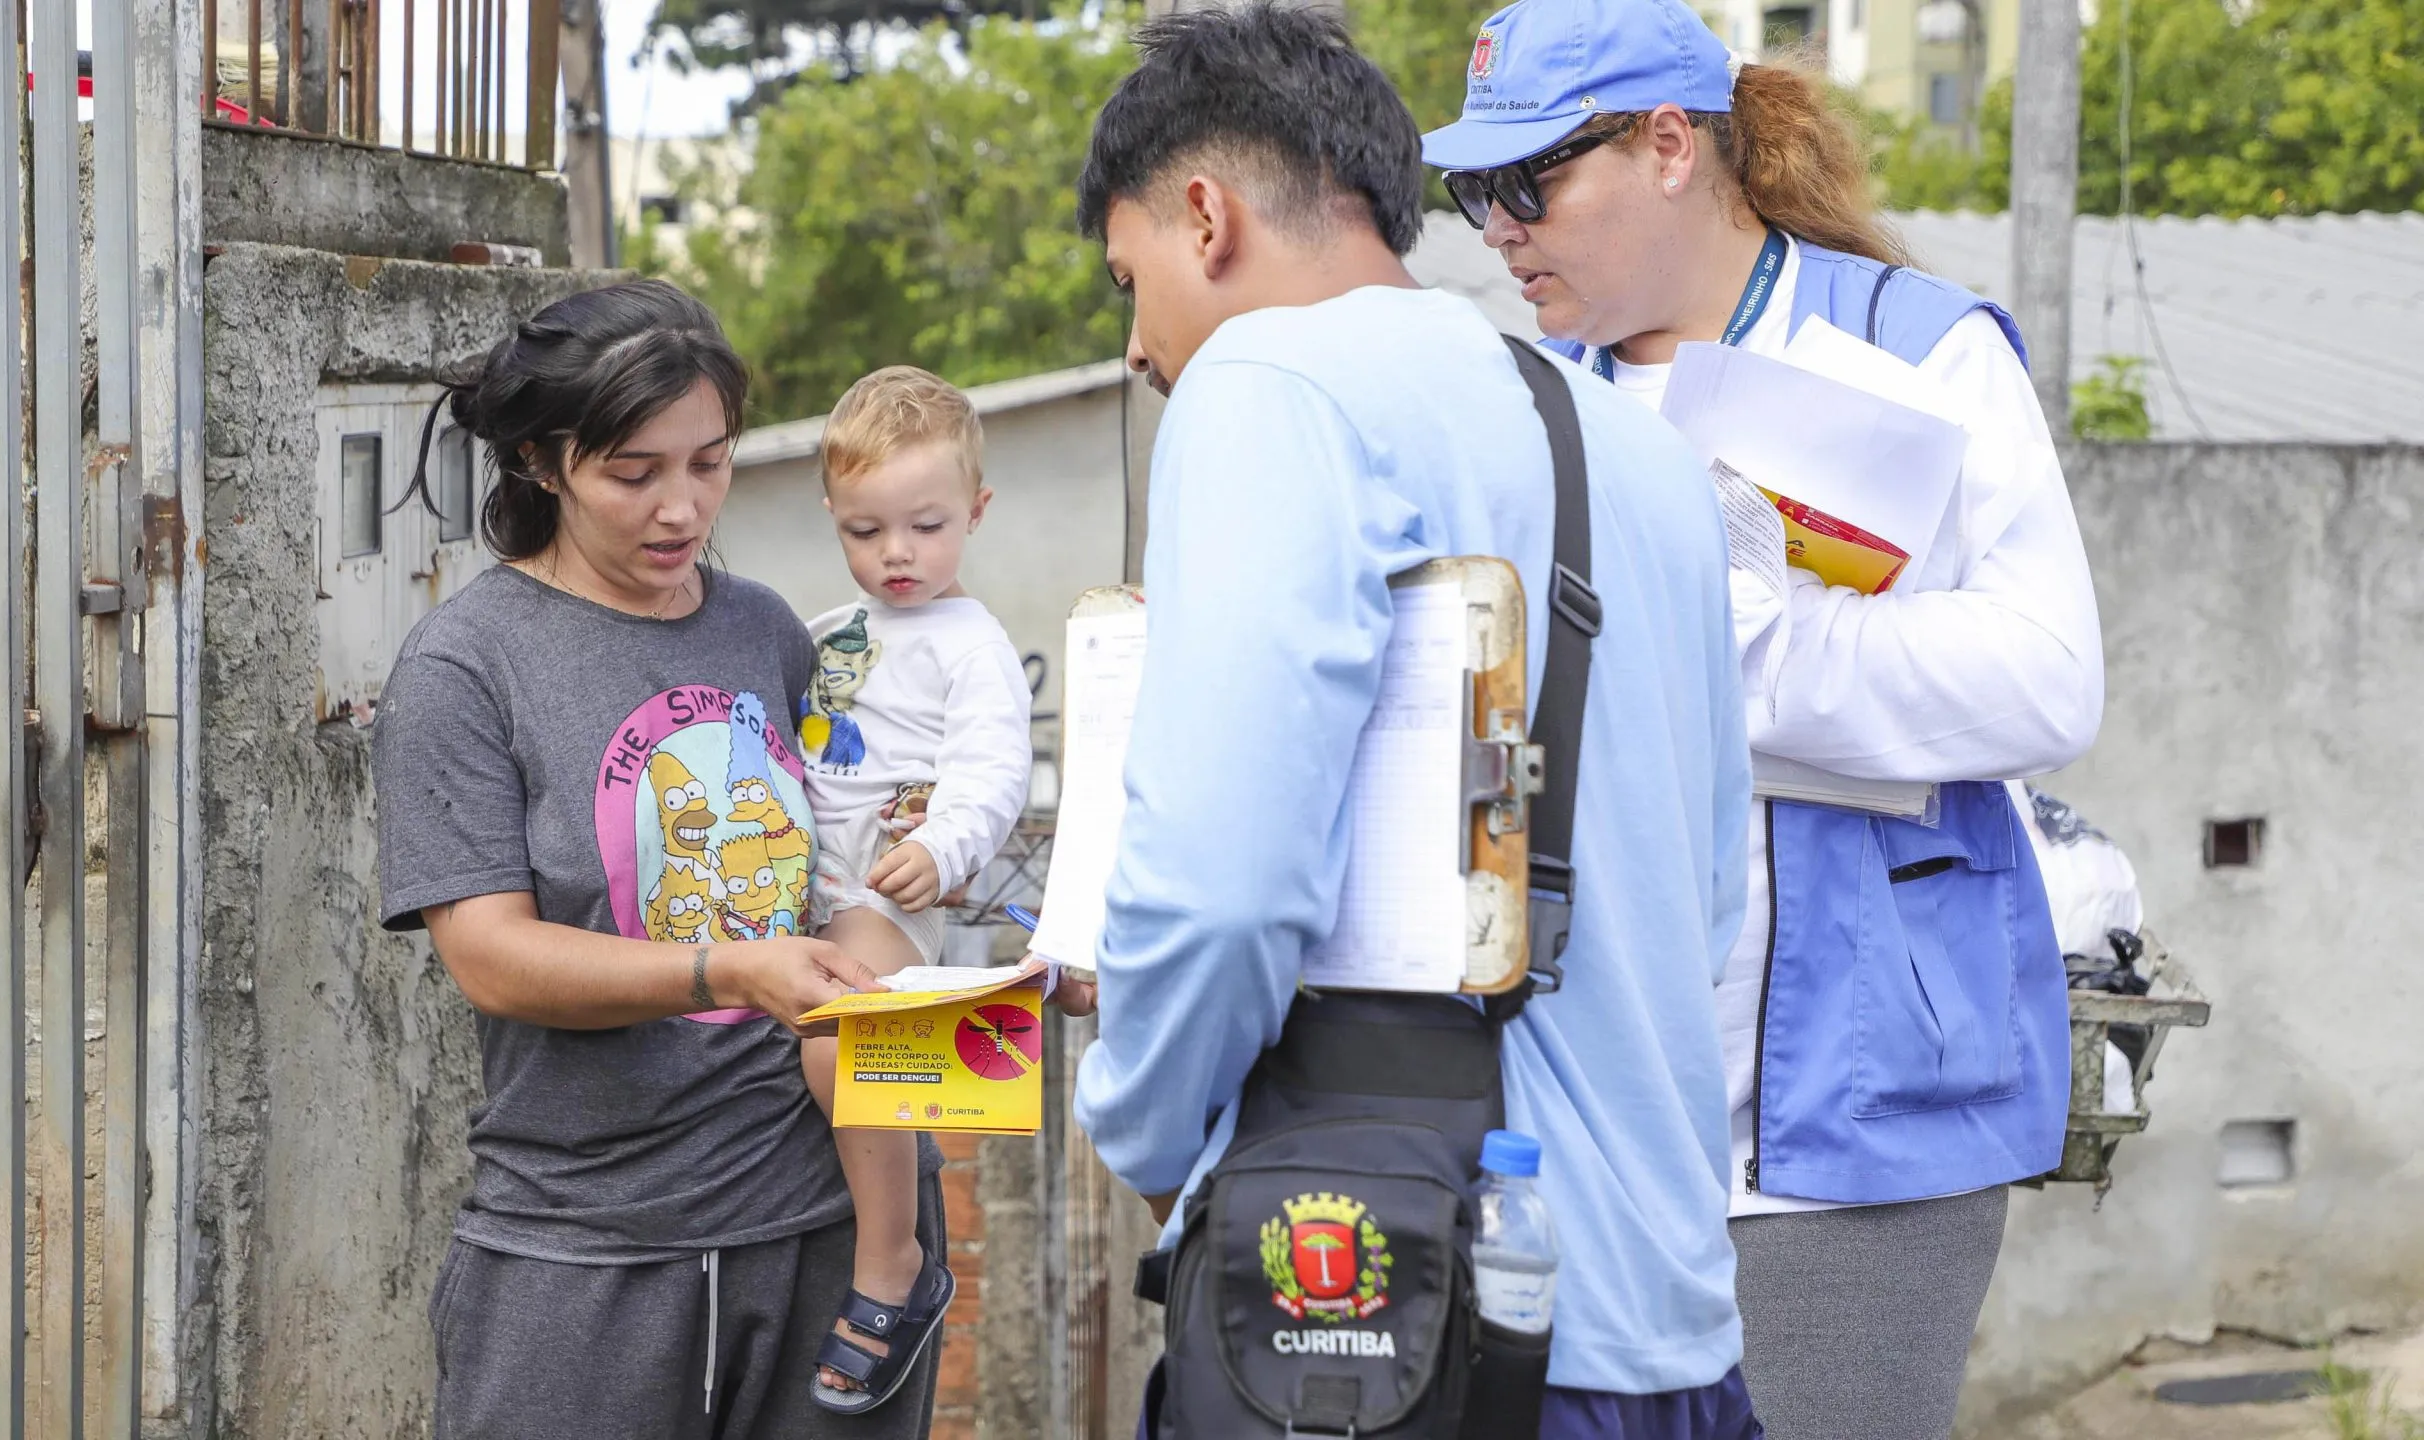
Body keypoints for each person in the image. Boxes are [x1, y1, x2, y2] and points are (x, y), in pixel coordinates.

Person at [1067, 7, 1761, 1436]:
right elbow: (1705, 900)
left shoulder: (1268, 387)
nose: (1140, 347)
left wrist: (1141, 1127)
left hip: (1409, 1326)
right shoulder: (1630, 442)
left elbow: (1220, 889)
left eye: (1130, 281)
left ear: (1204, 217)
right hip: (1662, 1326)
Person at [1421, 2, 2104, 1435]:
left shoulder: (1915, 350)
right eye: (1468, 194)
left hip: (1852, 1134)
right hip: (1590, 1122)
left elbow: (2050, 678)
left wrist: (1759, 649)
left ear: (1670, 146)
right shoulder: (1535, 399)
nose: (1497, 229)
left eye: (1525, 183)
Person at [370, 280, 946, 1440]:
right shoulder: (464, 669)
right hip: (588, 1250)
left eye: (710, 463)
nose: (681, 508)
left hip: (830, 1230)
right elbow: (488, 957)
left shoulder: (769, 630)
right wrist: (724, 971)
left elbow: (843, 864)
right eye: (634, 473)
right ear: (543, 462)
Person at [792, 366, 1033, 1413]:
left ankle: (894, 1263)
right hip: (799, 877)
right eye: (865, 530)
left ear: (974, 513)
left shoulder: (971, 646)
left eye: (925, 527)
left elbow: (993, 774)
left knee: (831, 1039)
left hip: (886, 893)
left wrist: (942, 847)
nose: (896, 554)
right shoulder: (823, 630)